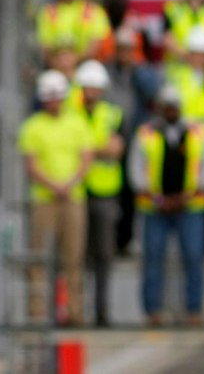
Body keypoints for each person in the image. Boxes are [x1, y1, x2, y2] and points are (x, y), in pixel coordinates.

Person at [130, 85, 204, 326]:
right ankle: (153, 310)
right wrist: (158, 199)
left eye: (174, 106)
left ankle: (194, 309)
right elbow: (136, 171)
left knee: (193, 257)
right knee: (153, 258)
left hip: (190, 206)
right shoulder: (146, 133)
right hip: (155, 207)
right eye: (166, 106)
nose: (170, 111)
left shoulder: (199, 133)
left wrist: (186, 197)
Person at [21, 70, 92, 324]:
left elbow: (85, 159)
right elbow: (31, 165)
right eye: (49, 97)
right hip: (44, 198)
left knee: (73, 256)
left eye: (57, 97)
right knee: (39, 255)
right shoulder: (33, 127)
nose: (54, 102)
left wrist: (69, 183)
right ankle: (38, 310)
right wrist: (54, 185)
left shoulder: (77, 122)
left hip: (72, 197)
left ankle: (75, 310)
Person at [75, 60, 126, 326]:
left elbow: (116, 149)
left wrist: (86, 151)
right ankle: (77, 310)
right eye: (88, 87)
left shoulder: (112, 114)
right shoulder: (70, 113)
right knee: (77, 255)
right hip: (77, 192)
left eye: (96, 87)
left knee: (104, 255)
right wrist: (98, 148)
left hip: (105, 192)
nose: (92, 92)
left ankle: (102, 311)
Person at [37, 0, 111, 66]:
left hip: (86, 65)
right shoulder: (47, 11)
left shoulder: (95, 10)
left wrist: (75, 60)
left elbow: (95, 45)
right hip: (56, 67)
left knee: (95, 75)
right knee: (50, 80)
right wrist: (59, 64)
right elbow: (45, 46)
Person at [165, 25, 204, 133]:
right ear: (189, 54)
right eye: (196, 54)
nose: (199, 58)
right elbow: (171, 106)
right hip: (184, 130)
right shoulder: (177, 75)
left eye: (203, 54)